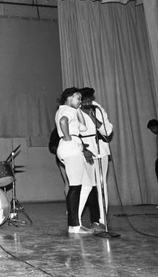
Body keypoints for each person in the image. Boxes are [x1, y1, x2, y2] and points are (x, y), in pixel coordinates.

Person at [55, 87, 93, 234]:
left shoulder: (67, 110)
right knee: (75, 187)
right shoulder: (67, 111)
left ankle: (76, 220)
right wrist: (68, 138)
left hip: (70, 147)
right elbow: (64, 121)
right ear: (69, 97)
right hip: (70, 146)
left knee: (87, 185)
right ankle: (74, 225)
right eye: (78, 98)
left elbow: (83, 128)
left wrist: (78, 109)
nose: (80, 101)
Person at [79, 87, 113, 231]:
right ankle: (77, 221)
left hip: (101, 151)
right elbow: (74, 133)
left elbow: (107, 131)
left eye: (90, 100)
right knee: (86, 186)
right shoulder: (76, 110)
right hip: (84, 151)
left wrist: (94, 118)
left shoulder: (98, 109)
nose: (88, 102)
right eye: (84, 100)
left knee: (101, 185)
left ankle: (102, 220)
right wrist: (84, 149)